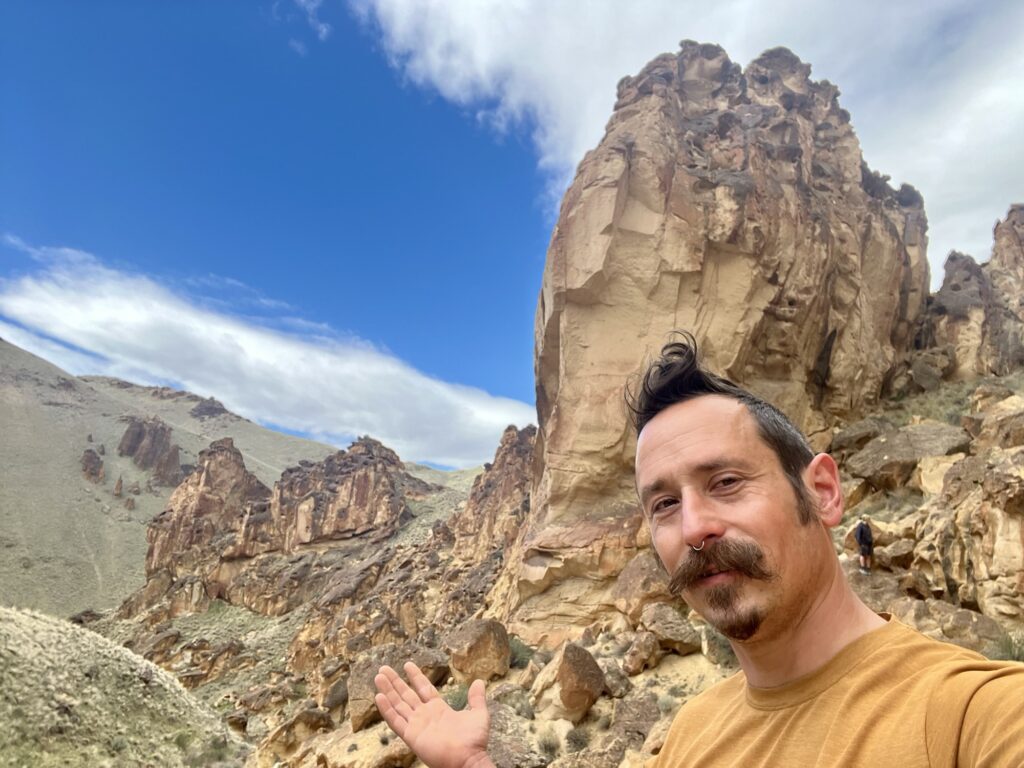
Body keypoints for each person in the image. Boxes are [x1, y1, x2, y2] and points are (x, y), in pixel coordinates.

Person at [374, 333, 1024, 767]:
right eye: (664, 504)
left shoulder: (971, 716)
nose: (695, 528)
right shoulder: (693, 732)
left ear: (823, 492)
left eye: (727, 482)